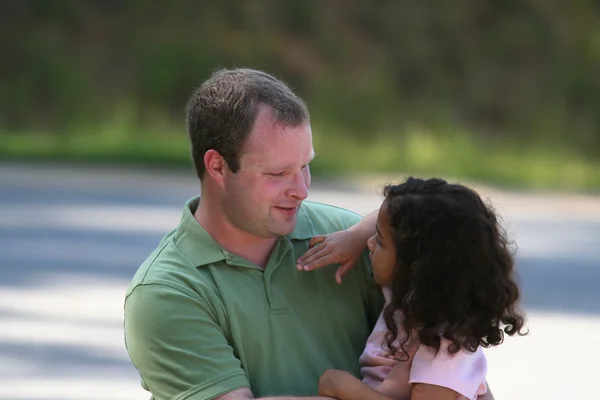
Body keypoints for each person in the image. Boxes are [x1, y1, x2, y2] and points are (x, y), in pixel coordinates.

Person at [123, 68, 385, 400]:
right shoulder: (166, 291)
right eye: (278, 173)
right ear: (217, 166)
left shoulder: (352, 238)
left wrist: (372, 226)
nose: (302, 190)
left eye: (306, 166)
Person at [298, 177, 527, 400]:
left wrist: (345, 388)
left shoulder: (446, 348)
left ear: (416, 266)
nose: (369, 242)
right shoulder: (413, 302)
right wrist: (355, 236)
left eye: (379, 241)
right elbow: (409, 216)